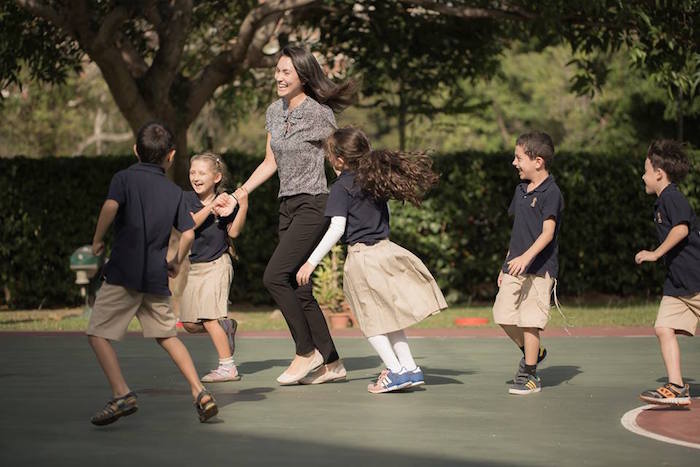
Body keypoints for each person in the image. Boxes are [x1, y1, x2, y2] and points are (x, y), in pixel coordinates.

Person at [214, 45, 356, 385]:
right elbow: (270, 162)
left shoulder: (320, 114)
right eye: (277, 71)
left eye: (286, 72)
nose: (279, 77)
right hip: (286, 205)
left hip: (314, 204)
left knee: (274, 276)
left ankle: (306, 352)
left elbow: (339, 159)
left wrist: (356, 197)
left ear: (303, 77)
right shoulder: (273, 113)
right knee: (299, 285)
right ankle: (333, 363)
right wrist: (237, 195)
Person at [296, 127, 447, 393]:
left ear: (340, 160)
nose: (329, 160)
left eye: (331, 156)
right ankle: (410, 367)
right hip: (386, 250)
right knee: (389, 317)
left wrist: (311, 261)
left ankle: (396, 371)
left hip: (363, 258)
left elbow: (337, 229)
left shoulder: (341, 187)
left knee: (370, 320)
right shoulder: (374, 180)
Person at [87, 122, 218, 425]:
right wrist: (174, 261)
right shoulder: (174, 192)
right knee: (168, 336)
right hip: (156, 277)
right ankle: (200, 392)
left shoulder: (123, 179)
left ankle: (122, 394)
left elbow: (109, 207)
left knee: (97, 334)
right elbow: (187, 234)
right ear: (171, 155)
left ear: (135, 150)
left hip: (123, 274)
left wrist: (97, 240)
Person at [492, 131, 564, 395]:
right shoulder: (521, 190)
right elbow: (518, 231)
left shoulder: (551, 192)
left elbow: (547, 233)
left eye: (519, 157)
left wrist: (527, 257)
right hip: (515, 265)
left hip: (540, 269)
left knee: (529, 321)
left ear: (538, 161)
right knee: (502, 314)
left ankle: (530, 374)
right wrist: (506, 263)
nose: (514, 162)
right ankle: (533, 351)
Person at [636, 140, 698, 406]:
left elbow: (681, 229)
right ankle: (676, 387)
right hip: (678, 283)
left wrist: (655, 253)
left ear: (659, 173)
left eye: (646, 170)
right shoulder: (662, 202)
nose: (643, 176)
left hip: (696, 279)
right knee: (663, 327)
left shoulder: (672, 196)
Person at [179, 153, 248, 383]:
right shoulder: (186, 199)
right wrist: (210, 208)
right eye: (192, 172)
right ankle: (224, 327)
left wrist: (243, 204)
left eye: (201, 173)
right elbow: (188, 225)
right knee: (189, 324)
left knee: (209, 317)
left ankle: (227, 367)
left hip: (218, 264)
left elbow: (234, 232)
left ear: (217, 177)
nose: (195, 177)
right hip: (194, 266)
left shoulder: (226, 199)